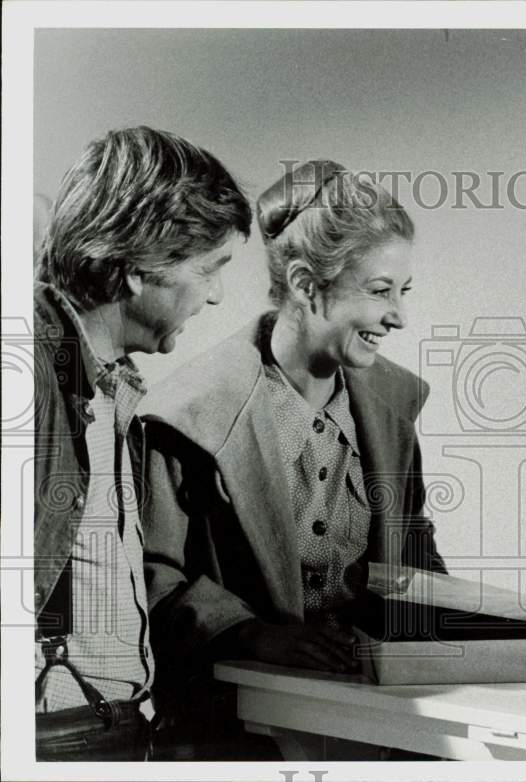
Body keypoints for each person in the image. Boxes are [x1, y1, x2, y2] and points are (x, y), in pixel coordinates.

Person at [141, 159, 448, 757]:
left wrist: (485, 629)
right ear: (307, 285)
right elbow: (154, 575)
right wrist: (251, 634)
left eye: (402, 292)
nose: (399, 316)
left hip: (377, 721)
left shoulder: (394, 401)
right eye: (380, 292)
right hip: (238, 730)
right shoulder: (189, 413)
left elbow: (413, 543)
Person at [33, 126, 251, 761]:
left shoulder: (110, 390)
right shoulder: (29, 376)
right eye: (209, 269)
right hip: (54, 742)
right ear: (136, 269)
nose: (214, 294)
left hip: (107, 734)